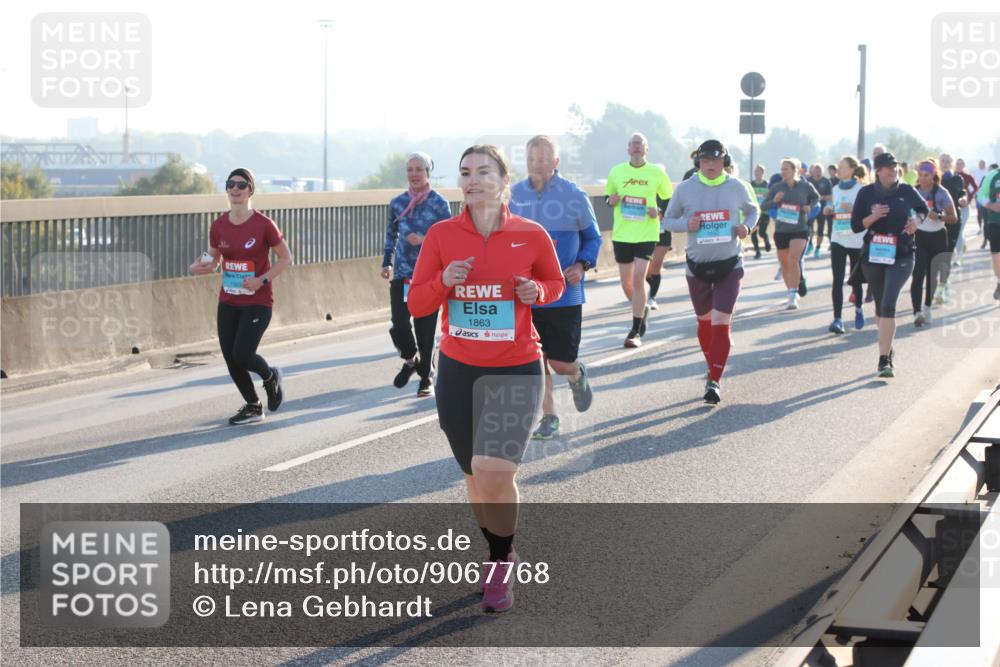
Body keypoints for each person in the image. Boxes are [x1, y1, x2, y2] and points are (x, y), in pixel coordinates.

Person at [408, 145, 565, 613]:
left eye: (483, 171)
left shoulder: (530, 234)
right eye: (465, 172)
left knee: (495, 472)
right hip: (458, 369)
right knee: (475, 478)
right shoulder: (441, 235)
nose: (473, 179)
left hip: (515, 366)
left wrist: (534, 290)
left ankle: (498, 562)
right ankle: (501, 547)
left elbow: (555, 284)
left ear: (503, 179)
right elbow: (417, 303)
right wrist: (445, 283)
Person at [509, 135, 601, 441]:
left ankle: (576, 374)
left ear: (556, 162)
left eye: (543, 159)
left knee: (560, 362)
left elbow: (593, 238)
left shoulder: (574, 195)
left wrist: (582, 265)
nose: (537, 165)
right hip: (526, 293)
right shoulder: (514, 196)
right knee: (536, 358)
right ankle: (549, 417)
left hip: (564, 293)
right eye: (532, 159)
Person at [189, 168, 292, 424]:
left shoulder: (264, 224)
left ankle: (270, 377)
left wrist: (261, 280)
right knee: (230, 357)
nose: (235, 189)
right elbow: (214, 260)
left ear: (250, 190)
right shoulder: (219, 225)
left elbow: (286, 258)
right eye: (230, 184)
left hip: (257, 301)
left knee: (243, 354)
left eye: (241, 184)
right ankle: (253, 405)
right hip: (229, 300)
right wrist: (198, 267)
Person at [663, 140, 758, 404]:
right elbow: (668, 220)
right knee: (705, 323)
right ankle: (713, 364)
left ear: (724, 161)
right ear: (699, 163)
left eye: (716, 161)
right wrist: (686, 224)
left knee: (720, 322)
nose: (711, 166)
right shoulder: (685, 189)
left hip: (730, 265)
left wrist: (747, 228)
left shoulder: (738, 186)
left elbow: (753, 210)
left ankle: (714, 380)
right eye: (706, 161)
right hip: (697, 267)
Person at [850, 152, 928, 377]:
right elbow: (856, 226)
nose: (892, 170)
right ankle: (888, 346)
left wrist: (916, 222)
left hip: (902, 253)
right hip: (874, 254)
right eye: (887, 167)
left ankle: (883, 360)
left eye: (894, 167)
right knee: (879, 306)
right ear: (878, 171)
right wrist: (872, 217)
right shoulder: (866, 193)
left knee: (888, 304)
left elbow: (922, 209)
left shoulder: (906, 190)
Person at [381, 153, 452, 397]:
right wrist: (386, 263)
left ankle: (425, 378)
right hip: (402, 274)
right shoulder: (397, 203)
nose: (413, 174)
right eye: (410, 169)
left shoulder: (439, 204)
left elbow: (448, 241)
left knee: (425, 329)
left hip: (429, 276)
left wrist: (424, 240)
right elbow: (391, 236)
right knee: (399, 325)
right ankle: (411, 359)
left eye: (419, 169)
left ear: (428, 172)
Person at [605, 133, 674, 347]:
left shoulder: (656, 172)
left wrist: (659, 211)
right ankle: (641, 307)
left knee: (637, 279)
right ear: (628, 149)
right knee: (626, 283)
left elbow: (668, 198)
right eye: (632, 144)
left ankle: (635, 331)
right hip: (622, 234)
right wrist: (611, 200)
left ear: (646, 149)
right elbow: (609, 198)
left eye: (640, 144)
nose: (636, 147)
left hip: (647, 233)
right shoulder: (617, 171)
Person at [760, 158, 820, 309]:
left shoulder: (805, 186)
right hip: (781, 229)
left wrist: (809, 206)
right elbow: (763, 206)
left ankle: (793, 295)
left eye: (786, 169)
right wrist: (775, 200)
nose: (783, 172)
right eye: (782, 169)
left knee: (793, 259)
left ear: (795, 170)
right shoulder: (776, 187)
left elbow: (816, 198)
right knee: (785, 264)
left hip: (800, 228)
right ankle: (790, 291)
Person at [909, 158, 957, 327]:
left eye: (926, 174)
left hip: (937, 237)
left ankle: (927, 306)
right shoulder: (913, 192)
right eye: (920, 174)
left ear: (933, 175)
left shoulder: (941, 193)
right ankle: (917, 312)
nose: (922, 178)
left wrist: (939, 217)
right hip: (919, 236)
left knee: (932, 275)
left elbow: (954, 218)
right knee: (917, 274)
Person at [825, 157, 868, 334]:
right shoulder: (835, 188)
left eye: (842, 168)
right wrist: (828, 210)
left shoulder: (862, 190)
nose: (838, 170)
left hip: (856, 239)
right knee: (837, 279)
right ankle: (837, 319)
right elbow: (833, 207)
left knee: (855, 279)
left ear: (851, 170)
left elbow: (867, 212)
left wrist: (853, 210)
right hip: (838, 238)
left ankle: (858, 308)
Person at [936, 153, 968, 303]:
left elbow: (962, 194)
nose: (945, 163)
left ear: (952, 164)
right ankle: (943, 281)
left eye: (948, 161)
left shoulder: (957, 179)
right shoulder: (933, 179)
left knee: (946, 255)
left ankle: (941, 289)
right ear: (938, 162)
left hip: (953, 221)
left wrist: (963, 200)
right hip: (935, 222)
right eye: (943, 161)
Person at [977, 165, 1000, 302]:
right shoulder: (993, 175)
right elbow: (980, 195)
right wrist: (991, 205)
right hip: (995, 223)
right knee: (997, 259)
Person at [954, 158, 979, 267]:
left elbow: (975, 188)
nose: (959, 165)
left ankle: (958, 258)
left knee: (959, 231)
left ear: (964, 165)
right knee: (958, 232)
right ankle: (961, 248)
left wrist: (969, 197)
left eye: (961, 164)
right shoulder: (952, 176)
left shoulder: (968, 177)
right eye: (957, 163)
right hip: (952, 207)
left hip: (964, 208)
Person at [807, 164, 833, 257]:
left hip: (822, 208)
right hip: (810, 208)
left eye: (819, 171)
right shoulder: (808, 180)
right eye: (816, 171)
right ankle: (809, 244)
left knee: (820, 229)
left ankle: (817, 248)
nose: (818, 173)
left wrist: (822, 197)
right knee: (808, 228)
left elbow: (831, 196)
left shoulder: (826, 181)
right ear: (812, 172)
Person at [749, 164, 772, 259]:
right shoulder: (751, 184)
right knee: (753, 232)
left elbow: (771, 197)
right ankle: (757, 251)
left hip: (765, 212)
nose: (756, 173)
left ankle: (766, 241)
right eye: (755, 171)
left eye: (758, 171)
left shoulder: (767, 184)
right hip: (754, 212)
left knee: (762, 232)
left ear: (762, 173)